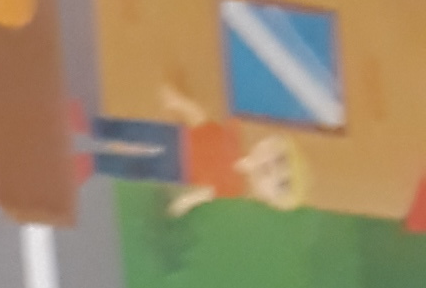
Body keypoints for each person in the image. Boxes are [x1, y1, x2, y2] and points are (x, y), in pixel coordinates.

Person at [87, 86, 311, 214]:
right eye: (279, 159)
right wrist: (180, 103)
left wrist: (185, 203)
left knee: (138, 168)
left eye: (280, 184)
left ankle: (95, 162)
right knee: (138, 132)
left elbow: (207, 193)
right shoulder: (234, 136)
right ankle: (95, 128)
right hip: (178, 138)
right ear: (270, 142)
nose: (271, 168)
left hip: (180, 171)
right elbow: (202, 122)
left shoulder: (235, 187)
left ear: (267, 198)